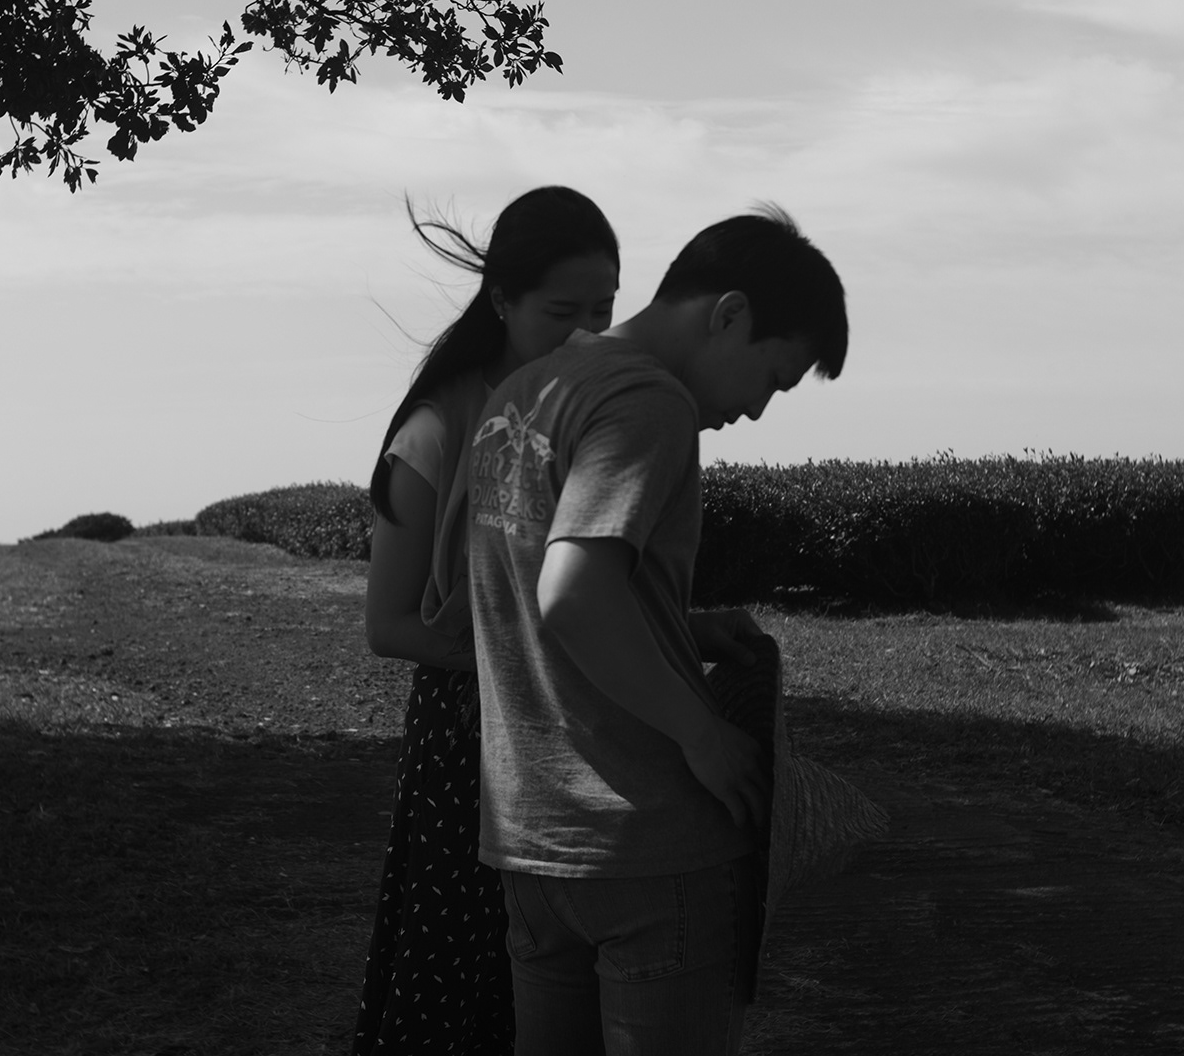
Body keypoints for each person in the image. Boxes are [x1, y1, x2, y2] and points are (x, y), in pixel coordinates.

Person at [465, 205, 848, 1056]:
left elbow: (510, 596)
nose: (756, 409)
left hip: (533, 837)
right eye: (772, 377)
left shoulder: (522, 393)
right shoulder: (650, 403)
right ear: (729, 314)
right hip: (647, 840)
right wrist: (700, 733)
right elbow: (571, 595)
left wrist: (678, 624)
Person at [352, 186, 623, 1056]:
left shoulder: (597, 409)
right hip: (471, 738)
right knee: (461, 971)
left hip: (575, 721)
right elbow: (388, 623)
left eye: (602, 311)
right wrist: (515, 656)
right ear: (501, 300)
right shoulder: (438, 427)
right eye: (560, 313)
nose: (585, 335)